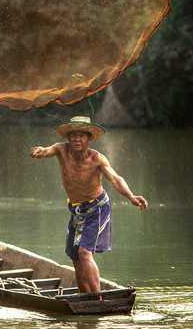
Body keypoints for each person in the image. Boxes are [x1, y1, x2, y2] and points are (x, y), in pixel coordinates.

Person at [29, 115, 148, 295]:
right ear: (68, 138)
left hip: (97, 208)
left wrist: (131, 196)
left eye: (81, 136)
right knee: (76, 257)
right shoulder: (61, 150)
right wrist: (39, 151)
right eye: (73, 135)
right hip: (76, 211)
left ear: (88, 138)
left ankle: (97, 299)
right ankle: (85, 297)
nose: (76, 139)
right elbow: (46, 151)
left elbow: (115, 178)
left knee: (85, 253)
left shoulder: (96, 159)